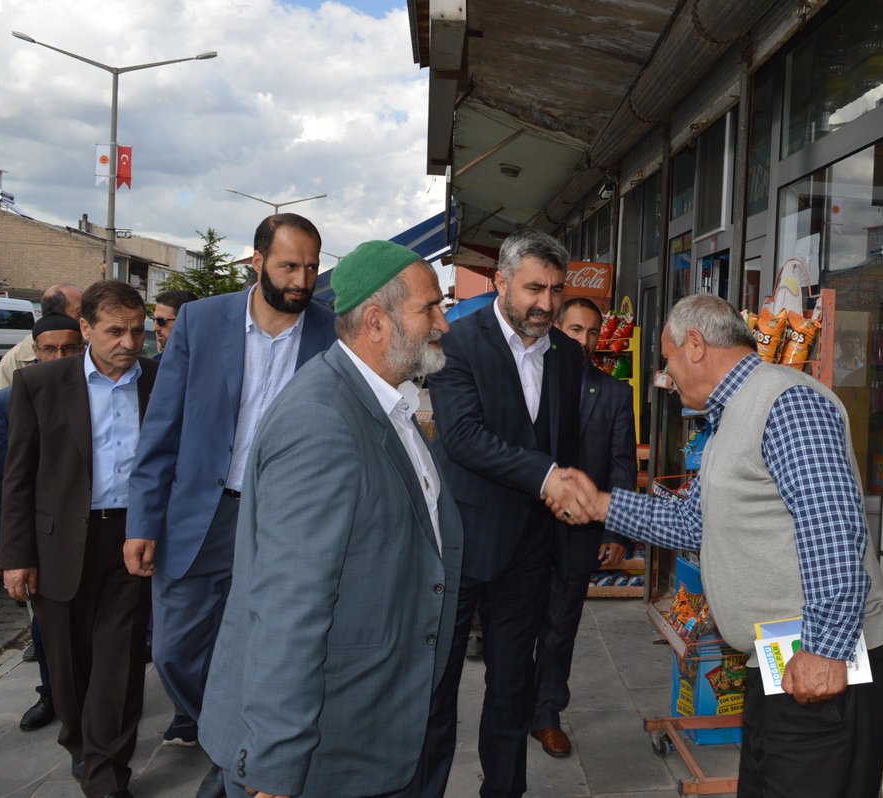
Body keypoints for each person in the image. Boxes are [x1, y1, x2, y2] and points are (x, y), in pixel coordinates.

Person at [561, 293, 883, 798]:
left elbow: (831, 528)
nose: (666, 373)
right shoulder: (730, 415)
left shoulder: (788, 403)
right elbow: (692, 522)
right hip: (782, 660)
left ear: (695, 345)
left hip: (825, 665)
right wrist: (601, 506)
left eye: (668, 357)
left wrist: (824, 651)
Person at [198, 241, 463, 798]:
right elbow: (290, 606)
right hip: (323, 748)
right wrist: (273, 766)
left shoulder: (384, 399)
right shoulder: (323, 423)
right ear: (376, 322)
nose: (443, 321)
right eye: (429, 308)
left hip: (370, 720)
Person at [124, 214, 336, 796]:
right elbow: (161, 427)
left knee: (272, 647)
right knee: (173, 651)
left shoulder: (329, 331)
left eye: (312, 267)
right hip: (201, 516)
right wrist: (143, 519)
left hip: (284, 522)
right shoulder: (201, 320)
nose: (302, 280)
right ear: (257, 261)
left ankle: (237, 764)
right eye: (290, 266)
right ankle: (235, 737)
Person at [421, 228, 589, 798]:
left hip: (528, 552)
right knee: (437, 687)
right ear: (501, 282)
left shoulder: (569, 356)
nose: (546, 303)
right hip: (462, 543)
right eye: (533, 288)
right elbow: (463, 437)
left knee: (512, 687)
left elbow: (566, 442)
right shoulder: (457, 343)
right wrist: (547, 475)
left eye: (556, 290)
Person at [1, 281, 159, 798]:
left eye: (137, 330)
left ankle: (108, 774)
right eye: (115, 331)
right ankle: (81, 744)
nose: (130, 342)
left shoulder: (159, 382)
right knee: (68, 672)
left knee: (120, 662)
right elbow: (18, 477)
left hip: (132, 542)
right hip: (59, 545)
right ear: (86, 328)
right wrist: (17, 556)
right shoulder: (40, 386)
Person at [530, 297, 635, 758]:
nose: (584, 341)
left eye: (592, 332)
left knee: (560, 626)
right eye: (575, 330)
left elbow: (621, 466)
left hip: (579, 533)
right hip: (523, 528)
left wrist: (616, 532)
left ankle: (547, 714)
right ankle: (511, 705)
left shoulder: (612, 393)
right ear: (556, 328)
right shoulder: (530, 381)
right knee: (514, 624)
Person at [0, 313, 86, 733]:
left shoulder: (98, 393)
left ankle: (89, 704)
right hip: (38, 538)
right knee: (44, 624)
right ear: (33, 353)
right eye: (49, 349)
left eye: (68, 347)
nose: (58, 356)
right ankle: (52, 693)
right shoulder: (8, 402)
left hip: (90, 530)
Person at [0, 283, 83, 389]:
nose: (88, 320)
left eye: (69, 348)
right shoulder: (15, 360)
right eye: (80, 313)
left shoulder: (95, 349)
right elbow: (4, 402)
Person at [152, 289, 198, 359]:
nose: (155, 328)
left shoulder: (212, 361)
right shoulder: (156, 364)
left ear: (184, 321)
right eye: (154, 320)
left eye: (161, 321)